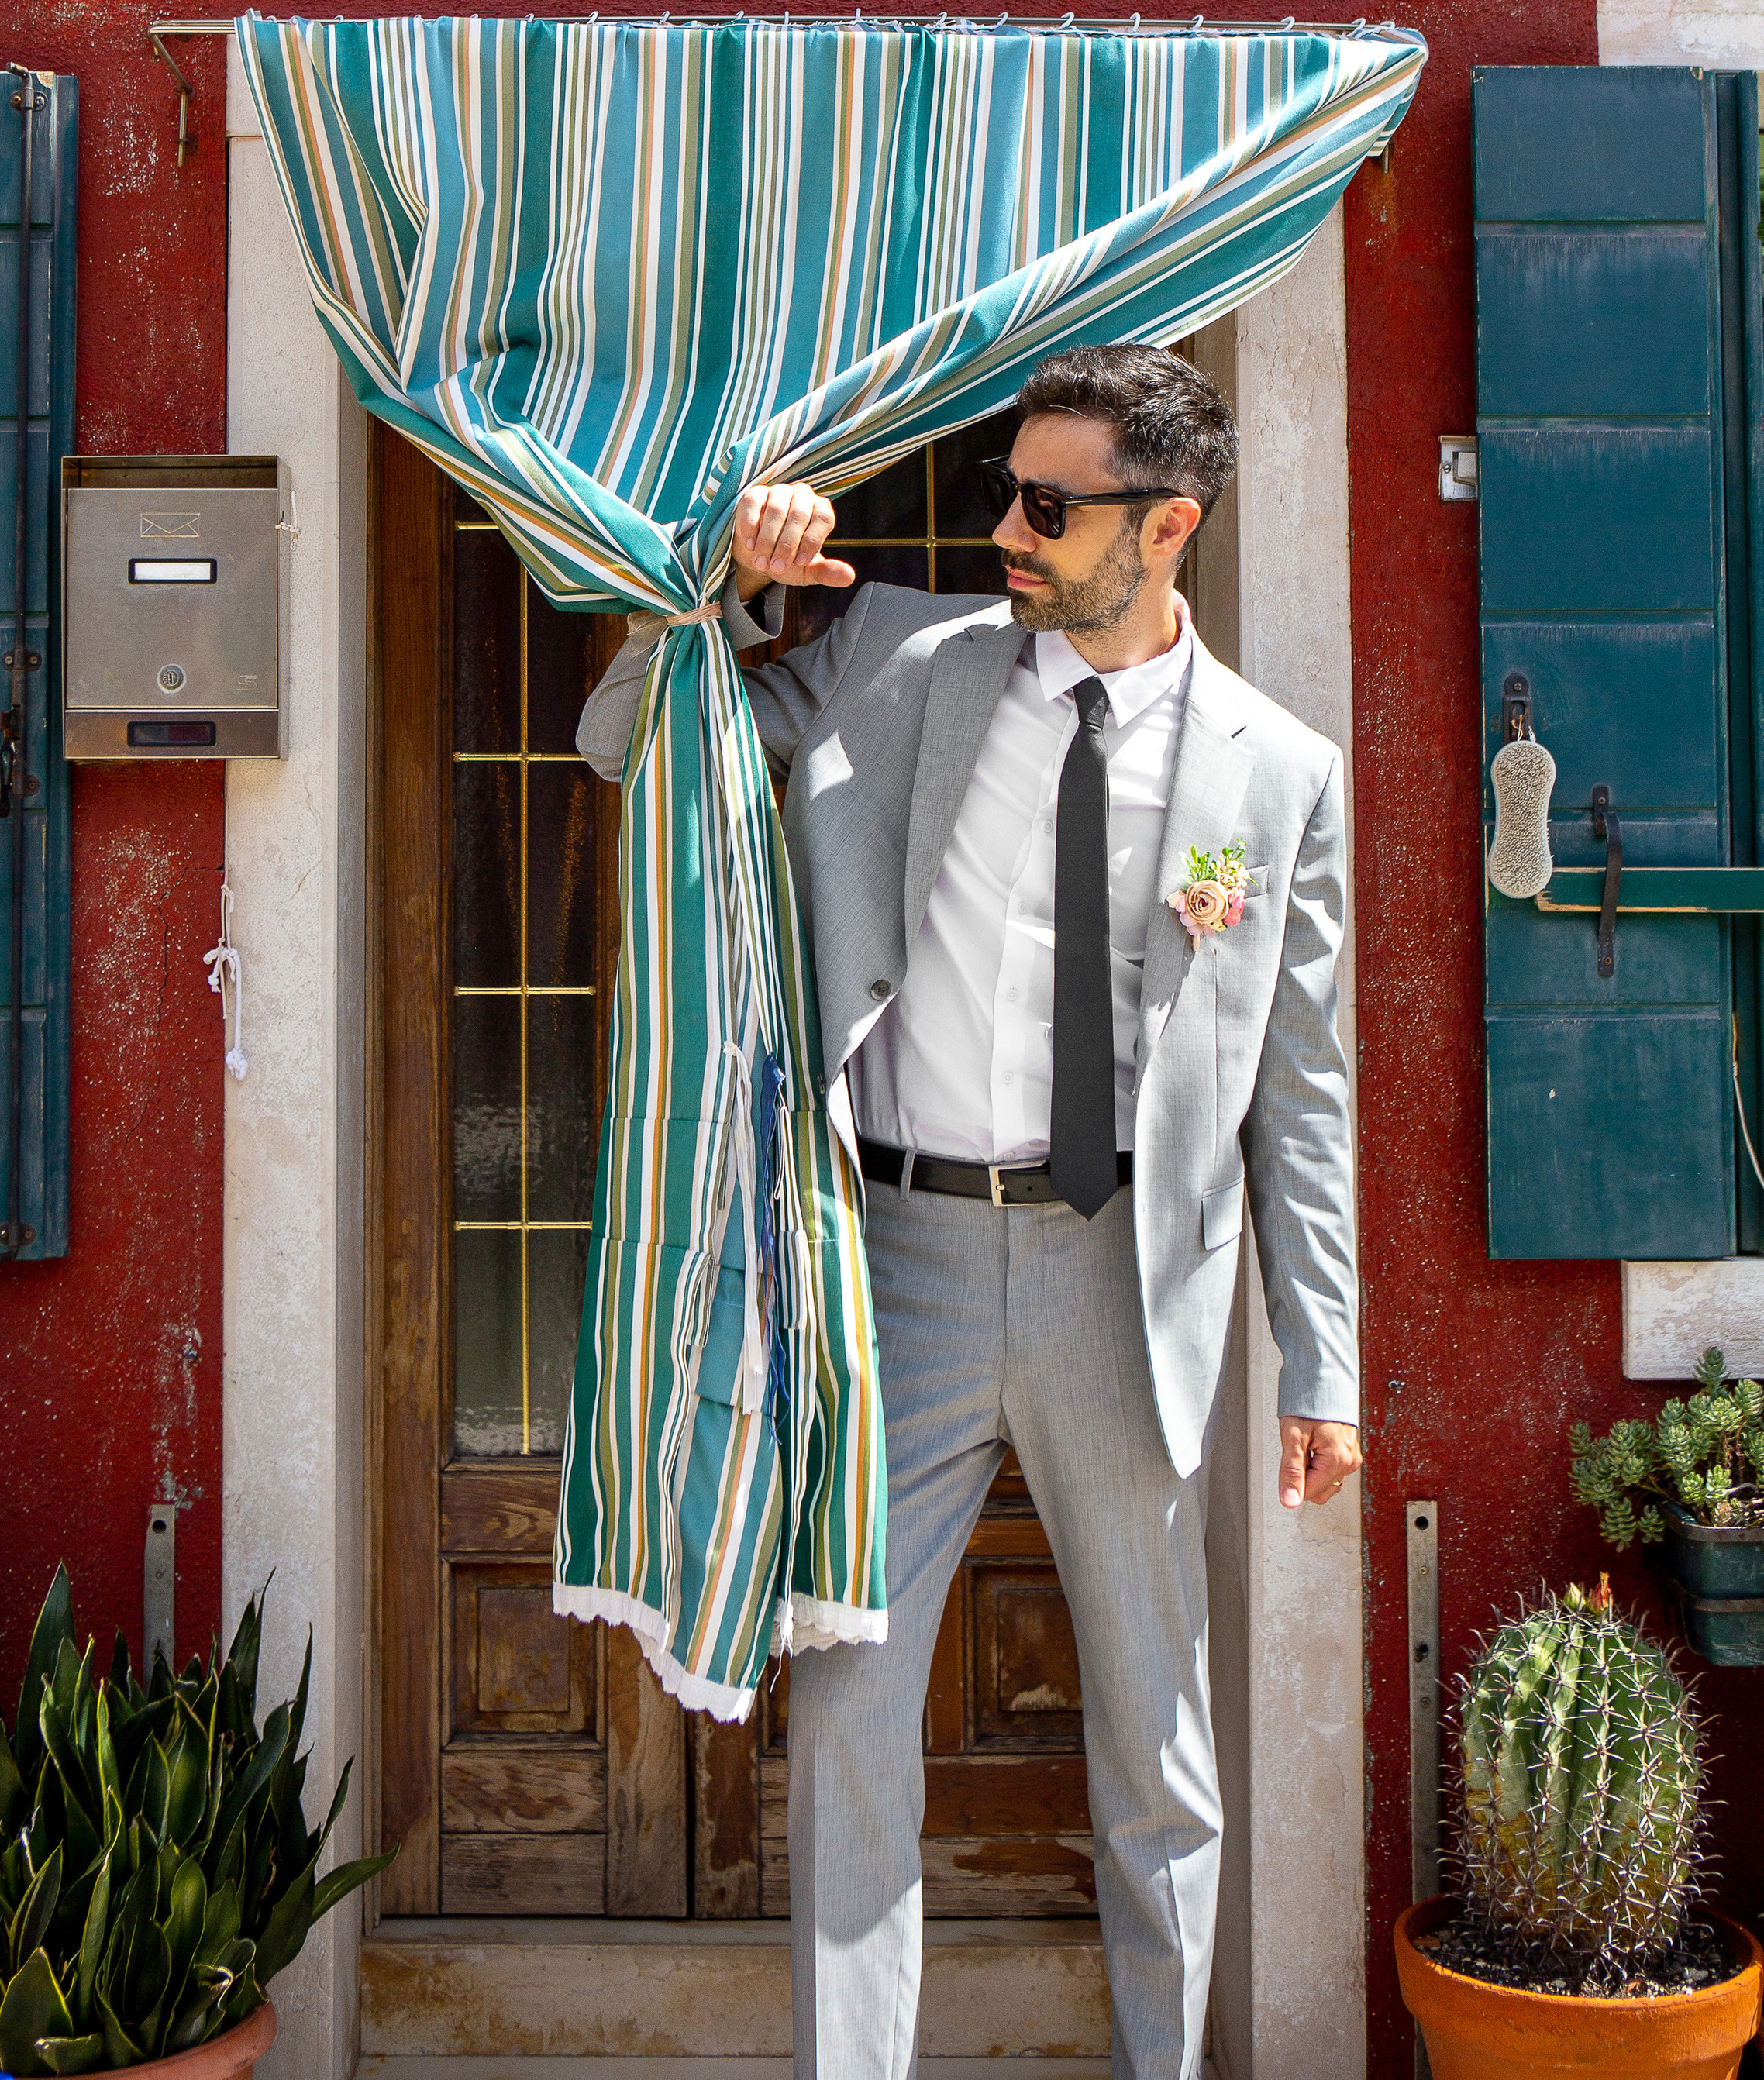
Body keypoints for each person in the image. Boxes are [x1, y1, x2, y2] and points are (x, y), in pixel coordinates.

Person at [577, 342, 1361, 2080]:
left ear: (1166, 528)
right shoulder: (893, 657)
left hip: (1123, 1282)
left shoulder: (1276, 773)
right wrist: (710, 588)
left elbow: (1300, 1092)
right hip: (895, 1265)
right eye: (1011, 491)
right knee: (852, 1723)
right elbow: (623, 742)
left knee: (1157, 1746)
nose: (1006, 528)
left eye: (1049, 508)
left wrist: (1325, 1368)